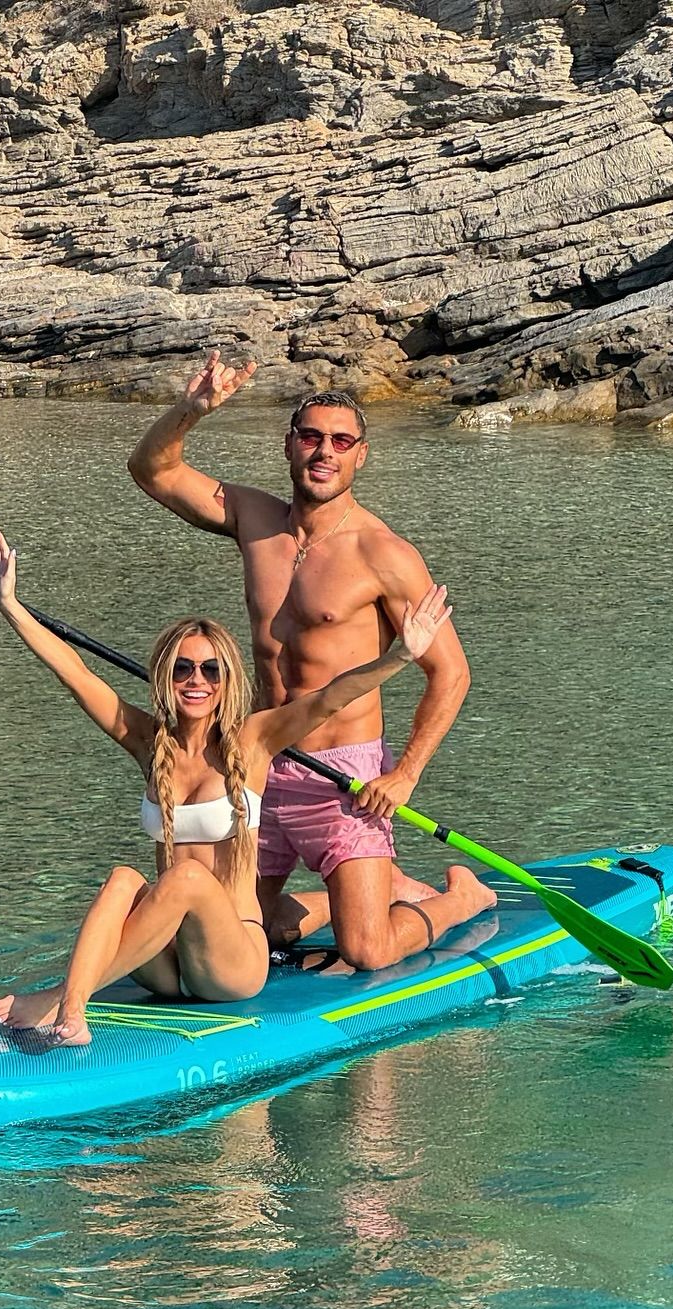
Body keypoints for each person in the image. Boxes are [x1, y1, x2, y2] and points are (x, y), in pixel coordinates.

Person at [0, 527, 464, 1046]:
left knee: (186, 878)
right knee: (122, 879)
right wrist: (9, 605)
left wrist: (399, 657)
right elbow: (76, 674)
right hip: (166, 965)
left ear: (227, 680)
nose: (197, 681)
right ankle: (70, 1005)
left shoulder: (253, 741)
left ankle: (64, 1003)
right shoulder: (149, 743)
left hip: (232, 964)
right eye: (183, 668)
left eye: (211, 670)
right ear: (165, 676)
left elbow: (330, 699)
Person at [127, 352, 496, 970]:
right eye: (311, 437)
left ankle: (461, 897)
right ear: (290, 444)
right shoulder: (254, 519)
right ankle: (374, 891)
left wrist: (404, 775)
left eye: (341, 441)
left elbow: (450, 672)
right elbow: (151, 469)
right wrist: (191, 410)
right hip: (258, 762)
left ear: (360, 455)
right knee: (238, 929)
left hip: (343, 775)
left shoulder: (384, 554)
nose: (325, 451)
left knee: (368, 950)